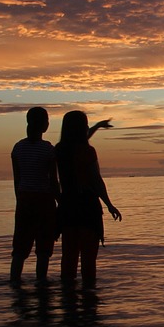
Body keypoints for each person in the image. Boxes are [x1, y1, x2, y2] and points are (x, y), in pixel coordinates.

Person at [55, 110, 122, 290]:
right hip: (87, 207)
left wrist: (98, 126)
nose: (87, 127)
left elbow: (77, 140)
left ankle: (67, 300)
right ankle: (89, 301)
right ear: (80, 128)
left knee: (68, 257)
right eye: (85, 124)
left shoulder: (59, 150)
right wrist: (109, 204)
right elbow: (96, 180)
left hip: (67, 207)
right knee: (88, 259)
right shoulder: (87, 151)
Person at [10, 106, 59, 284]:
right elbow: (54, 181)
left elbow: (17, 180)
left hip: (24, 199)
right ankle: (41, 284)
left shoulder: (18, 148)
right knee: (44, 250)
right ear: (45, 126)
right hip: (44, 201)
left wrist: (20, 200)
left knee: (20, 250)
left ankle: (14, 283)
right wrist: (60, 202)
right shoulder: (48, 150)